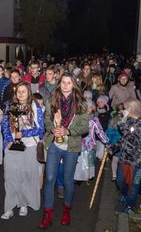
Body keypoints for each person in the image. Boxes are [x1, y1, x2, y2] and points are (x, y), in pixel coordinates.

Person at [40, 73, 88, 228]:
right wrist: (52, 128)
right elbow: (46, 119)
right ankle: (48, 213)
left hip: (71, 145)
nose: (66, 85)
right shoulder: (51, 100)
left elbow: (84, 127)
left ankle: (67, 209)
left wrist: (67, 131)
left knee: (67, 179)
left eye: (69, 82)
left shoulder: (81, 104)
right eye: (63, 82)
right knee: (49, 178)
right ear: (59, 83)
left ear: (73, 84)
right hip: (54, 143)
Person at [0, 82, 45, 219]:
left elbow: (41, 129)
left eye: (23, 91)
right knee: (10, 176)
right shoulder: (9, 105)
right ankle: (9, 207)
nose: (20, 93)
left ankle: (24, 203)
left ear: (28, 92)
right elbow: (4, 124)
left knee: (25, 175)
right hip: (12, 145)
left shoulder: (34, 106)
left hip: (29, 145)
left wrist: (23, 134)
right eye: (18, 91)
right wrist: (8, 139)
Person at [114, 99, 141, 213]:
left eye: (125, 108)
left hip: (137, 163)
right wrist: (112, 148)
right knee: (120, 181)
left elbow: (131, 138)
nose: (124, 110)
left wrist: (121, 123)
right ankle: (124, 195)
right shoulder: (128, 121)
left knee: (134, 185)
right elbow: (124, 139)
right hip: (124, 159)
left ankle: (130, 206)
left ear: (130, 109)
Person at [74, 100, 109, 181]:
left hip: (89, 144)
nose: (88, 109)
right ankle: (77, 177)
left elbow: (99, 131)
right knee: (79, 162)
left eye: (89, 107)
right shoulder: (77, 117)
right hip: (78, 143)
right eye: (86, 107)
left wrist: (106, 141)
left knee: (87, 162)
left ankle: (87, 176)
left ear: (92, 108)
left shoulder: (94, 119)